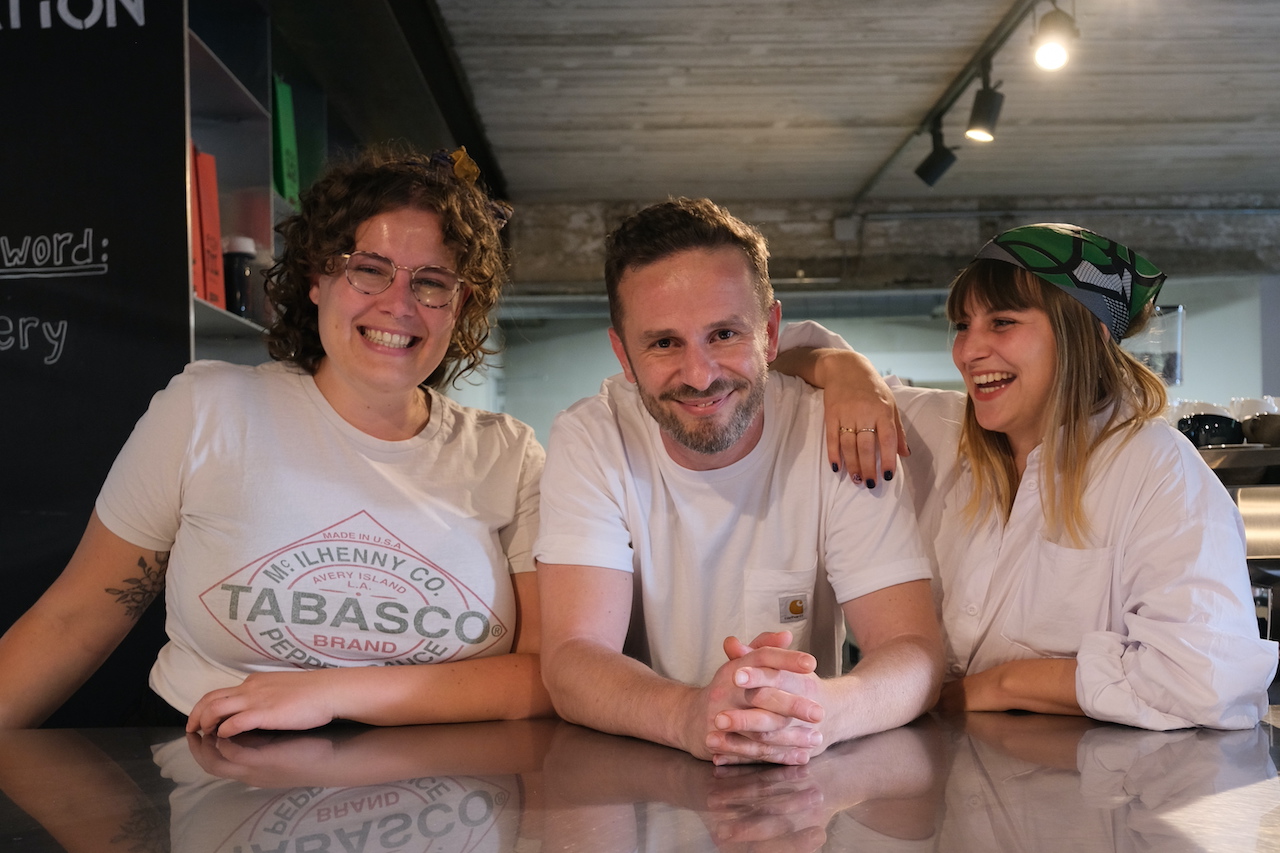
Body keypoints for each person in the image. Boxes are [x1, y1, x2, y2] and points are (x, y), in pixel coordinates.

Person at [0, 146, 552, 735]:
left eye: (432, 282)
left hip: (441, 784)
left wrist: (333, 693)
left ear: (459, 305)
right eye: (369, 269)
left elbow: (546, 676)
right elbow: (75, 619)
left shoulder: (511, 456)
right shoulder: (205, 410)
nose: (398, 304)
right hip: (203, 768)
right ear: (317, 277)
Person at [779, 223, 1278, 729]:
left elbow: (1207, 677)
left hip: (1094, 773)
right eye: (963, 325)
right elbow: (764, 358)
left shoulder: (1157, 469)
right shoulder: (933, 430)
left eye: (1002, 322)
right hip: (934, 761)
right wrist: (845, 371)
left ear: (1086, 335)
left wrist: (995, 685)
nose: (968, 351)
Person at [535, 197, 944, 767]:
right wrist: (689, 714)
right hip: (639, 773)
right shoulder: (592, 437)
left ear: (770, 334)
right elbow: (572, 657)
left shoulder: (834, 429)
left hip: (804, 770)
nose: (700, 376)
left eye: (724, 334)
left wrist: (820, 712)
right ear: (623, 355)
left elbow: (913, 649)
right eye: (664, 343)